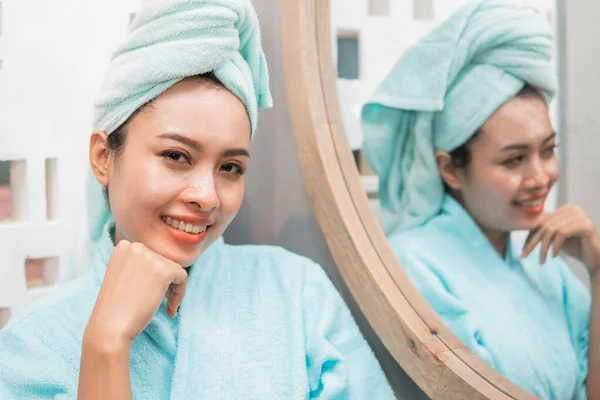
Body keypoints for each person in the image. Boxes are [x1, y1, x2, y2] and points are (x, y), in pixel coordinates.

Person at [0, 1, 395, 399]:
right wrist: (106, 343)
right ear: (104, 158)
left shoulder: (297, 293)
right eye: (175, 156)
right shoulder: (33, 348)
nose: (207, 197)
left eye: (231, 168)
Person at [361, 1, 598, 399]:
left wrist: (597, 268)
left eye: (548, 149)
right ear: (450, 169)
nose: (541, 177)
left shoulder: (540, 259)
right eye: (514, 160)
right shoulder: (416, 266)